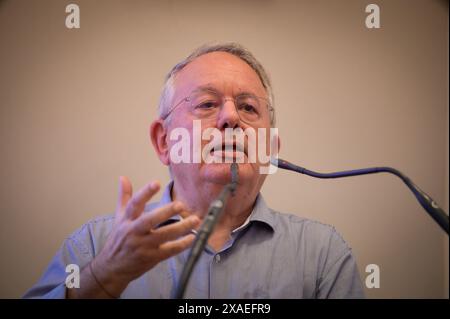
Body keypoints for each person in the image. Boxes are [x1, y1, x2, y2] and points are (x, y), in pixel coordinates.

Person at [24, 43, 365, 299]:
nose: (231, 118)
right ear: (164, 141)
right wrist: (104, 276)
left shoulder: (323, 255)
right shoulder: (94, 247)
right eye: (206, 104)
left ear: (271, 149)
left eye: (248, 107)